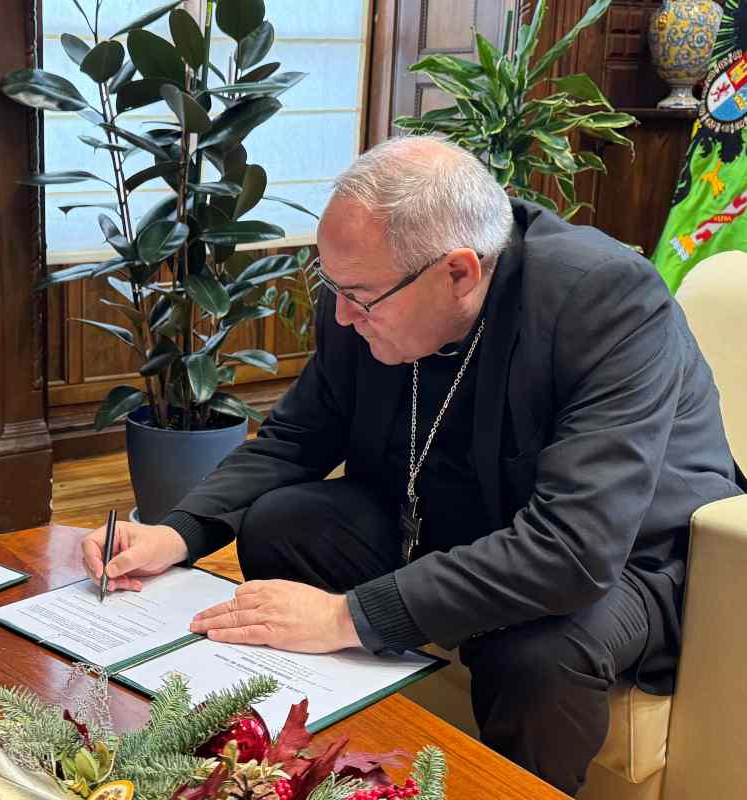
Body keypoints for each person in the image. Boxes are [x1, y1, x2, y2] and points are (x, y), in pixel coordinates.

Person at [81, 135, 745, 793]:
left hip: (623, 557)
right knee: (284, 522)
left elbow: (574, 547)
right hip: (454, 513)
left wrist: (345, 618)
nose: (341, 315)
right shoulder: (363, 290)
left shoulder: (602, 299)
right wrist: (175, 533)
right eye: (332, 287)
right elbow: (295, 437)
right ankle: (336, 759)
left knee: (532, 652)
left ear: (458, 272)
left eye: (360, 298)